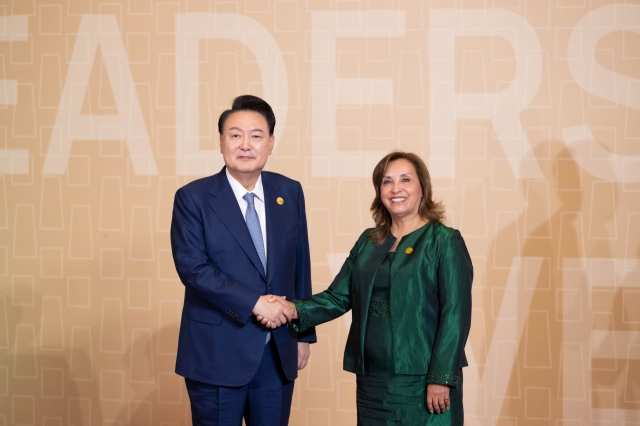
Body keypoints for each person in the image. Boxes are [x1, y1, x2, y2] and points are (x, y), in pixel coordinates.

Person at [275, 151, 472, 425]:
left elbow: (455, 315)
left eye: (405, 179)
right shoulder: (368, 242)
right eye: (387, 182)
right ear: (379, 192)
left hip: (423, 378)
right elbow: (338, 297)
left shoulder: (444, 241)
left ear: (422, 187)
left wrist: (441, 378)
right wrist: (292, 309)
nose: (396, 189)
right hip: (372, 380)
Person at [170, 94, 316, 426]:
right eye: (235, 135)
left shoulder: (288, 191)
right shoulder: (193, 198)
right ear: (221, 143)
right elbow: (193, 268)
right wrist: (254, 303)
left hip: (277, 350)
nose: (245, 145)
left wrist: (304, 333)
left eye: (256, 135)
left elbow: (299, 264)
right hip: (216, 352)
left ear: (271, 143)